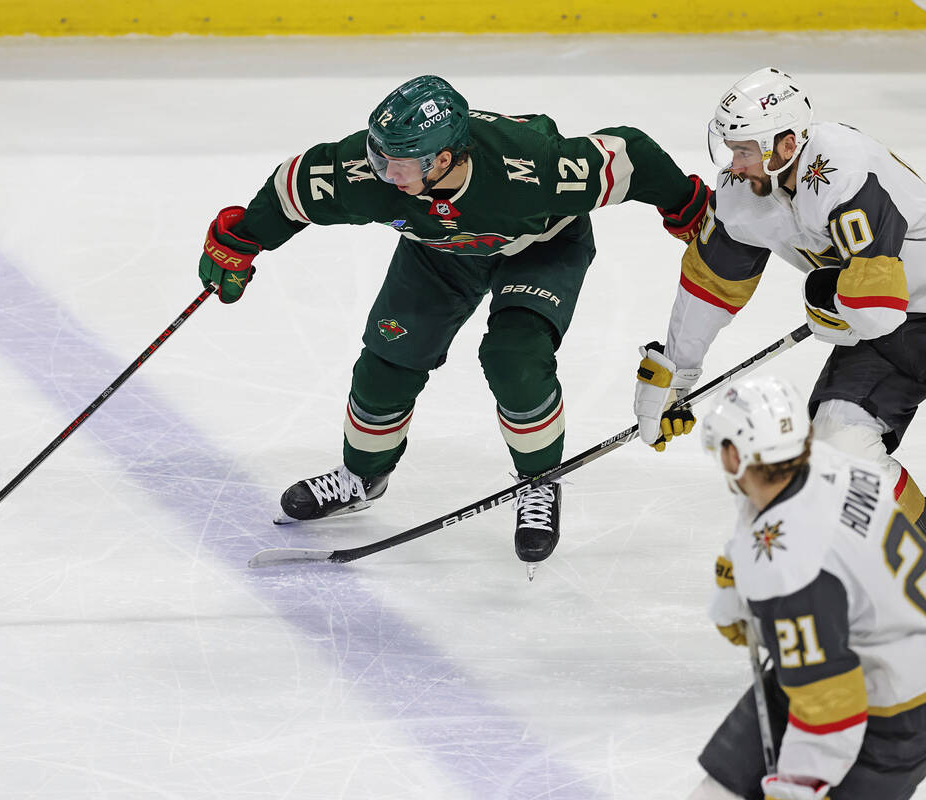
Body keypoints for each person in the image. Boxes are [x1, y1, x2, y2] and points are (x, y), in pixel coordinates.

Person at [200, 75, 708, 567]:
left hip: (540, 249)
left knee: (516, 358)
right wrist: (241, 240)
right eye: (378, 155)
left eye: (397, 163)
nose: (381, 172)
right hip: (440, 255)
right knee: (385, 365)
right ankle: (362, 477)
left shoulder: (534, 166)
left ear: (444, 159)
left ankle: (538, 482)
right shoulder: (367, 171)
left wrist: (687, 207)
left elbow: (632, 156)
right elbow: (293, 188)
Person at [634, 66, 926, 531]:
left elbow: (875, 307)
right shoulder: (742, 193)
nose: (734, 165)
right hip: (887, 337)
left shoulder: (845, 168)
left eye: (745, 150)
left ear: (788, 144)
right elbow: (712, 285)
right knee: (838, 456)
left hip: (893, 315)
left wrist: (833, 301)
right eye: (732, 149)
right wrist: (677, 370)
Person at [688, 375, 926, 800]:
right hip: (854, 651)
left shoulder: (793, 571)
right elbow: (766, 516)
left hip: (896, 713)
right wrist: (738, 574)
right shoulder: (834, 463)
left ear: (735, 456)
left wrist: (798, 789)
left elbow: (833, 706)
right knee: (718, 789)